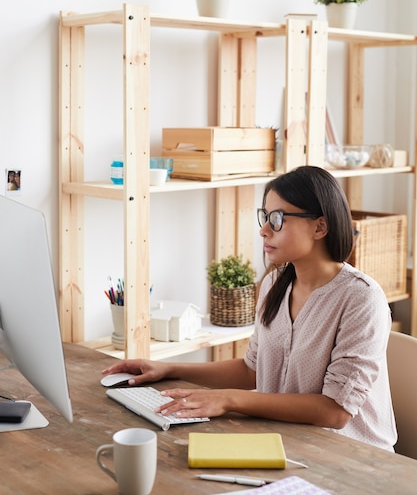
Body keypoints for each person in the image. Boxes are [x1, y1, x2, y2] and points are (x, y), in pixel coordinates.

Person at [102, 165, 397, 451]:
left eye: (278, 219)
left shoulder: (361, 298)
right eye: (265, 217)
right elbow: (251, 370)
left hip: (355, 459)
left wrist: (228, 400)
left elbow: (335, 411)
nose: (264, 231)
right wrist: (167, 369)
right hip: (288, 444)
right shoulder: (275, 284)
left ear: (320, 226)